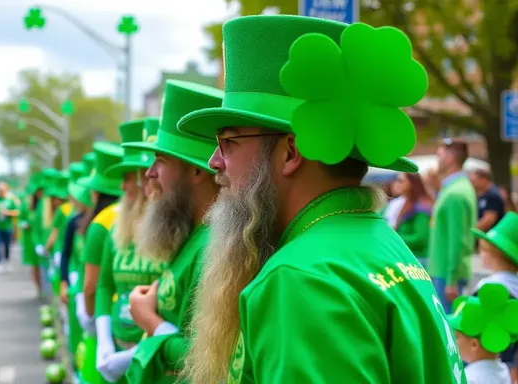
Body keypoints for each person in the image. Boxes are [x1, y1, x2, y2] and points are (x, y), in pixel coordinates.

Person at [177, 16, 465, 383]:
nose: (214, 162)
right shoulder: (381, 242)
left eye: (228, 142)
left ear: (290, 152)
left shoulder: (302, 277)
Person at [122, 80, 223, 383]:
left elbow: (210, 362)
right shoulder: (191, 234)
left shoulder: (213, 246)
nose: (150, 174)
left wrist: (150, 321)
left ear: (195, 171)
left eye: (161, 161)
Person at [94, 118, 168, 383]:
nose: (123, 186)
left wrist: (135, 354)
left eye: (130, 177)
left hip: (152, 357)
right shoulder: (116, 228)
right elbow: (103, 285)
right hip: (115, 345)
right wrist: (103, 339)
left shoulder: (170, 234)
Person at [75, 143, 123, 384]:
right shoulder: (148, 215)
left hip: (109, 320)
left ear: (96, 193)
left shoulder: (101, 223)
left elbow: (91, 286)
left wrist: (95, 324)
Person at [429, 138, 478, 313]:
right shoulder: (456, 188)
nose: (437, 159)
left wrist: (451, 279)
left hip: (446, 274)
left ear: (450, 158)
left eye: (440, 154)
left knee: (448, 329)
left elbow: (456, 239)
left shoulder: (455, 193)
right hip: (445, 271)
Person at [471, 211, 518, 380]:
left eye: (483, 249)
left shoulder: (488, 287)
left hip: (487, 359)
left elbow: (471, 321)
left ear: (494, 254)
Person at [60, 158, 94, 376]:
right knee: (76, 341)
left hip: (93, 297)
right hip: (78, 288)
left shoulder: (102, 222)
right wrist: (65, 282)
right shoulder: (73, 222)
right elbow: (65, 254)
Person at [448, 283, 517, 384]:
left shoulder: (469, 377)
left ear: (474, 344)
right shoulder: (503, 369)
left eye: (456, 337)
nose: (453, 342)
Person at [391, 172, 434, 267]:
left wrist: (396, 238)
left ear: (411, 183)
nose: (397, 183)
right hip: (409, 257)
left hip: (418, 261)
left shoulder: (422, 206)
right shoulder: (407, 202)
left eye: (401, 181)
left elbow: (421, 238)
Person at [20, 175, 45, 296]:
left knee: (44, 266)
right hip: (30, 239)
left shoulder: (45, 205)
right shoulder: (27, 206)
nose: (40, 193)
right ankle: (39, 289)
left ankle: (45, 289)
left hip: (42, 240)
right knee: (35, 266)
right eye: (38, 191)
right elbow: (21, 220)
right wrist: (24, 224)